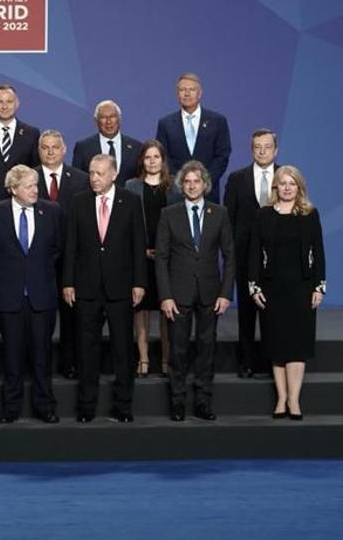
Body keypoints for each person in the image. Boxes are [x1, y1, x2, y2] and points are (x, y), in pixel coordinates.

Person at [62, 154, 147, 423]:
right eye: (91, 173)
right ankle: (86, 406)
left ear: (114, 173)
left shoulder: (131, 202)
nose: (94, 178)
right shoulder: (78, 202)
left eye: (99, 173)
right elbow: (70, 246)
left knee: (123, 350)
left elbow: (138, 246)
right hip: (86, 288)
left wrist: (139, 283)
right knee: (87, 350)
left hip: (120, 288)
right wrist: (68, 282)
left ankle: (123, 406)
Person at [0, 165, 63, 424]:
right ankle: (11, 407)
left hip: (41, 295)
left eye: (36, 185)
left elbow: (57, 249)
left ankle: (44, 405)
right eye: (29, 186)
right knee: (11, 357)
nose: (35, 190)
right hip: (8, 295)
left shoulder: (52, 212)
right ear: (13, 189)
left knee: (42, 356)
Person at [156, 161, 234, 421]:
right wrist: (165, 296)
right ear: (181, 185)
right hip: (178, 294)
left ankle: (203, 402)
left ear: (205, 185)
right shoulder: (169, 214)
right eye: (187, 181)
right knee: (177, 351)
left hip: (211, 294)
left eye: (196, 181)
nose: (191, 185)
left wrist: (225, 293)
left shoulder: (220, 213)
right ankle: (177, 402)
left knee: (206, 349)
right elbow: (161, 259)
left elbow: (230, 257)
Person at [248, 165, 325, 421]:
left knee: (297, 345)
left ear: (299, 187)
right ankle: (281, 398)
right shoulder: (263, 215)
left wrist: (319, 286)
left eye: (292, 183)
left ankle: (294, 399)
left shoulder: (310, 214)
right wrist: (254, 286)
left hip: (302, 288)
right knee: (277, 345)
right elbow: (254, 255)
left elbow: (319, 252)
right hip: (272, 288)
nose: (287, 188)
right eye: (283, 183)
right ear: (275, 187)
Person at [224, 128, 279, 378]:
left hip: (278, 259)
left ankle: (271, 362)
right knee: (246, 312)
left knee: (273, 312)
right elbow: (228, 220)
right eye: (257, 146)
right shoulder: (237, 179)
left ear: (275, 150)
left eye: (267, 147)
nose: (262, 151)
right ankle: (245, 362)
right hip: (245, 256)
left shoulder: (286, 177)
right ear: (251, 149)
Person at [124, 140, 181, 377]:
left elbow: (179, 225)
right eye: (148, 157)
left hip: (168, 259)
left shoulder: (175, 188)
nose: (152, 161)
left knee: (167, 309)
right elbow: (127, 224)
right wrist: (142, 250)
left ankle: (167, 359)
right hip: (141, 256)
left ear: (163, 160)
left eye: (156, 157)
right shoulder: (131, 186)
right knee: (141, 309)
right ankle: (144, 358)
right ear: (142, 161)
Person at [34, 129, 86, 379]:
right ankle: (37, 365)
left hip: (71, 259)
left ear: (64, 150)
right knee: (39, 318)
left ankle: (69, 363)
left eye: (55, 147)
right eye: (46, 147)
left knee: (71, 316)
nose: (51, 151)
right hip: (38, 261)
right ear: (39, 150)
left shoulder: (80, 179)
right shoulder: (28, 178)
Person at [155, 73, 232, 202]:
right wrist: (181, 181)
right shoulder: (166, 123)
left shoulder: (217, 121)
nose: (187, 93)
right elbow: (163, 156)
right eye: (182, 90)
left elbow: (222, 155)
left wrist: (204, 181)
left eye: (191, 89)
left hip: (208, 192)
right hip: (176, 193)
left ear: (200, 93)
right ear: (177, 94)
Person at [72, 99, 143, 187]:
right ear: (96, 121)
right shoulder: (83, 147)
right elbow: (76, 181)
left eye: (112, 116)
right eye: (103, 117)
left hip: (128, 199)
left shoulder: (137, 147)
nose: (109, 122)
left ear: (119, 119)